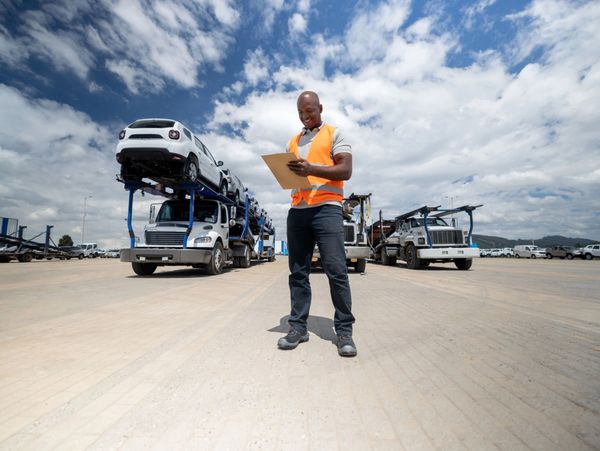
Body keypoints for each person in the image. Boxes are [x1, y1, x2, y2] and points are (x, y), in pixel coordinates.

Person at [277, 91, 357, 357]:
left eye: (309, 111)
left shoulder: (335, 134)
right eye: (301, 112)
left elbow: (345, 170)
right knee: (298, 273)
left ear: (320, 108)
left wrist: (311, 169)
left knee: (336, 270)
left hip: (327, 209)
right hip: (298, 211)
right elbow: (293, 174)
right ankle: (298, 327)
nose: (305, 116)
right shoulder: (293, 141)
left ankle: (344, 331)